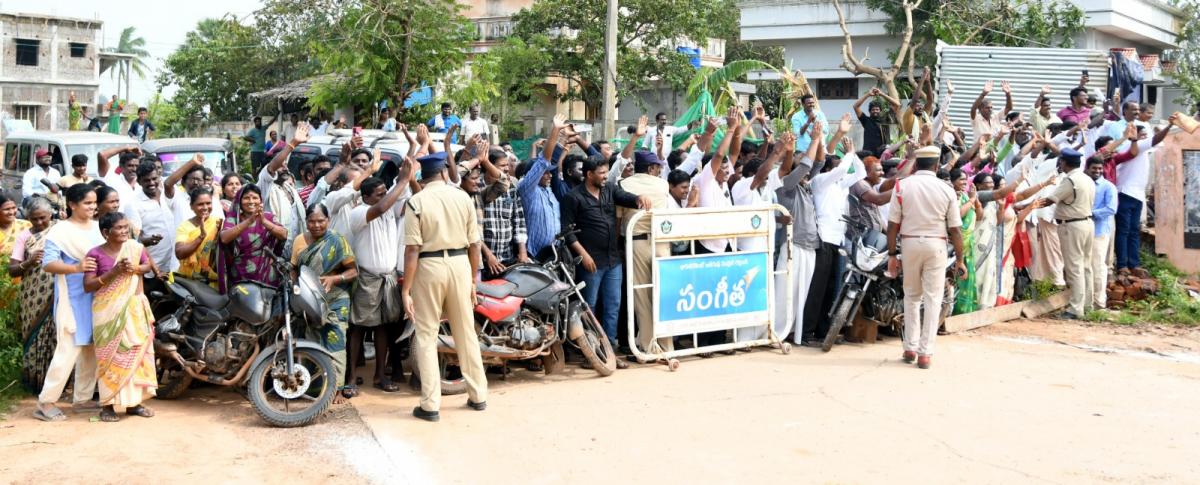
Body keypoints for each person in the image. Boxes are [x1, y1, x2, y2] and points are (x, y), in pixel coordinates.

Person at [402, 152, 487, 422]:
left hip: (428, 267)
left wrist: (406, 289)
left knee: (426, 335)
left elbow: (413, 249)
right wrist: (473, 279)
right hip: (461, 264)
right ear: (442, 173)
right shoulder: (462, 197)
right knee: (466, 332)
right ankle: (478, 396)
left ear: (422, 176)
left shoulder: (416, 201)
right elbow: (475, 245)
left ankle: (431, 405)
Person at [885, 145, 966, 370]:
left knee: (911, 296)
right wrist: (959, 259)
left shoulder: (902, 185)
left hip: (909, 243)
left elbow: (892, 226)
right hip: (937, 245)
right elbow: (955, 230)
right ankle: (925, 353)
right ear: (937, 165)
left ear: (916, 163)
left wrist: (892, 254)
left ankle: (910, 347)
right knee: (933, 298)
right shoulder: (946, 189)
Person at [561, 155, 648, 357]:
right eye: (601, 173)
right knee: (589, 307)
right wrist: (584, 255)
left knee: (613, 306)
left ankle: (609, 351)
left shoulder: (609, 189)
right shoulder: (573, 197)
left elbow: (625, 197)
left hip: (613, 260)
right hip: (590, 263)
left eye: (606, 173)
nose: (605, 177)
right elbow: (567, 232)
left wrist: (638, 198)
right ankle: (591, 352)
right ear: (589, 174)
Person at [34, 184, 103, 421]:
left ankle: (82, 399)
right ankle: (46, 401)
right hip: (72, 299)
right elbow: (48, 264)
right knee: (68, 350)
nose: (93, 207)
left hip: (97, 297)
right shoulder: (60, 231)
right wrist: (76, 267)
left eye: (94, 203)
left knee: (91, 349)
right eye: (87, 203)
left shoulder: (98, 228)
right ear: (72, 204)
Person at [84, 212, 156, 422]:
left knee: (135, 354)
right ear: (106, 232)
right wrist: (114, 272)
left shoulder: (135, 248)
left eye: (126, 227)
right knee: (109, 357)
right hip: (108, 314)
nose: (125, 231)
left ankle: (134, 403)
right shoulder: (94, 254)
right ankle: (107, 405)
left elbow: (147, 266)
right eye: (120, 228)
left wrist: (136, 268)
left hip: (133, 309)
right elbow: (88, 285)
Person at [348, 164, 414, 393]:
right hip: (367, 278)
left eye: (386, 192)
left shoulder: (389, 210)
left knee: (384, 327)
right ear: (365, 197)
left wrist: (409, 170)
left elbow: (400, 201)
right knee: (357, 327)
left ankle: (379, 376)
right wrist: (403, 181)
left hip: (389, 277)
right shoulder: (358, 212)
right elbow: (383, 205)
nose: (385, 197)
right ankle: (351, 377)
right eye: (379, 194)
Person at [292, 203, 357, 401]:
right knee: (312, 341)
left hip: (336, 298)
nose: (316, 225)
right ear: (306, 222)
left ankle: (337, 389)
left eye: (321, 221)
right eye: (312, 221)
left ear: (328, 220)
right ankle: (315, 387)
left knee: (336, 340)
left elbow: (353, 271)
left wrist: (334, 279)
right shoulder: (299, 241)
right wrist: (296, 286)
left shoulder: (337, 240)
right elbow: (294, 267)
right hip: (309, 299)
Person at [774, 121, 825, 346]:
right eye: (801, 156)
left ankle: (794, 332)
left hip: (810, 246)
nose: (807, 159)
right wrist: (813, 140)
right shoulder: (787, 184)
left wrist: (821, 137)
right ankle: (777, 332)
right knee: (786, 291)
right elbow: (806, 167)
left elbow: (819, 162)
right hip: (793, 245)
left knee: (801, 293)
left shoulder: (805, 186)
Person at [1042, 149, 1095, 319]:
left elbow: (1051, 199)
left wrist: (1028, 205)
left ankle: (1075, 309)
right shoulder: (1087, 178)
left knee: (1074, 268)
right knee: (1086, 266)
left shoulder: (1070, 180)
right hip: (1087, 222)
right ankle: (1087, 305)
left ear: (1064, 162)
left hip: (1072, 225)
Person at [9, 198, 55, 391]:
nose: (38, 223)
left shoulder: (59, 232)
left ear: (50, 215)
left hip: (55, 292)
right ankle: (34, 383)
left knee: (54, 334)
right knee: (32, 333)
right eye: (33, 219)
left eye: (42, 218)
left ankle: (54, 384)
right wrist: (29, 262)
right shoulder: (24, 237)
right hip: (31, 295)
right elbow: (12, 270)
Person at [216, 184, 288, 293]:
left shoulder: (269, 217)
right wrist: (249, 221)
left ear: (260, 200)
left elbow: (283, 234)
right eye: (246, 198)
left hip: (266, 273)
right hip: (241, 274)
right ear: (239, 201)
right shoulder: (233, 219)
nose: (251, 201)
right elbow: (224, 238)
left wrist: (264, 222)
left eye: (255, 198)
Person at [124, 160, 185, 274]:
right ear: (139, 182)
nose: (151, 183)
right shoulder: (133, 204)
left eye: (154, 179)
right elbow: (133, 239)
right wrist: (148, 241)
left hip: (178, 262)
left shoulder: (170, 194)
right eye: (146, 180)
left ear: (159, 177)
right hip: (154, 268)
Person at [518, 115, 565, 260]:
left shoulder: (548, 190)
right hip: (534, 255)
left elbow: (553, 161)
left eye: (550, 173)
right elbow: (543, 161)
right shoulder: (528, 190)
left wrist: (563, 138)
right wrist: (555, 131)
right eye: (544, 174)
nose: (549, 175)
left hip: (555, 254)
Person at [258, 123, 310, 241]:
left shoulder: (289, 187)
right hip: (275, 244)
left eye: (286, 165)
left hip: (294, 243)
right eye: (281, 165)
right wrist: (293, 143)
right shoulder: (266, 184)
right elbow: (272, 167)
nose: (285, 168)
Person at [174, 187, 221, 287]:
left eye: (208, 203)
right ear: (191, 206)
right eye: (200, 204)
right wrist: (201, 236)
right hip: (189, 281)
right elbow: (179, 253)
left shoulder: (219, 223)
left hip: (212, 280)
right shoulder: (184, 226)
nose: (205, 207)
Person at [1088, 157, 1118, 309]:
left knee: (1098, 266)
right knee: (1085, 267)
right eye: (1094, 168)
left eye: (1100, 168)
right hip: (1083, 232)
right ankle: (1087, 302)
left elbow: (1111, 209)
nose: (1097, 171)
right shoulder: (1084, 184)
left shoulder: (1108, 187)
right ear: (1088, 168)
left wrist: (1089, 213)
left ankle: (1099, 303)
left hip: (1099, 232)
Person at [951, 169, 981, 314]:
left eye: (966, 179)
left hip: (967, 245)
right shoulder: (953, 196)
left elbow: (979, 216)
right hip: (956, 246)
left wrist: (975, 200)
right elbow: (957, 215)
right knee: (956, 280)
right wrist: (971, 200)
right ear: (952, 181)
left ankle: (965, 312)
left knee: (966, 278)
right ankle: (954, 312)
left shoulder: (965, 195)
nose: (964, 182)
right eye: (961, 179)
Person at [854, 88, 901, 155]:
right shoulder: (866, 120)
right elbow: (855, 106)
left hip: (882, 153)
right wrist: (868, 94)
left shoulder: (885, 119)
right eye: (873, 109)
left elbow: (897, 105)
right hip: (868, 154)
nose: (875, 111)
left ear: (880, 110)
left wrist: (882, 94)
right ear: (870, 111)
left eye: (877, 109)